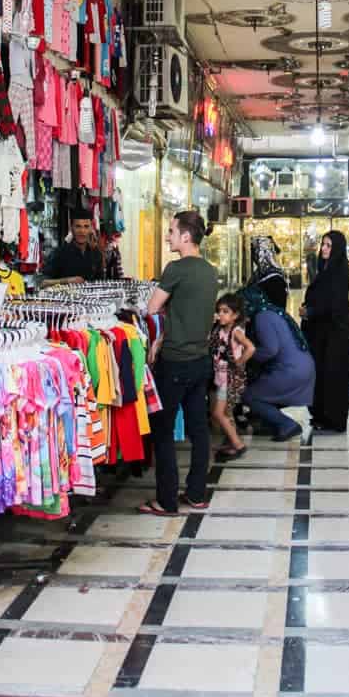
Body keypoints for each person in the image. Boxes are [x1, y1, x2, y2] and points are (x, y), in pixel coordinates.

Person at [139, 210, 218, 515]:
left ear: (186, 236)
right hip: (201, 361)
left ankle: (166, 499)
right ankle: (197, 493)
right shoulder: (210, 271)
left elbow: (152, 307)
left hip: (174, 363)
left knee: (163, 431)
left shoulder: (176, 268)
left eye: (171, 231)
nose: (168, 235)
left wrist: (161, 334)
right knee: (199, 430)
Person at [242, 285, 315, 442]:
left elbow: (270, 350)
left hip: (290, 372)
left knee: (248, 395)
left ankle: (286, 424)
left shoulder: (262, 317)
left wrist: (247, 354)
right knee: (263, 388)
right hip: (302, 367)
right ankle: (270, 422)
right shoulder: (271, 311)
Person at [301, 230, 349, 433]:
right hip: (321, 332)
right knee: (320, 373)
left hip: (338, 333)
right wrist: (307, 308)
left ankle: (334, 419)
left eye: (328, 245)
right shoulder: (324, 269)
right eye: (323, 244)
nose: (323, 248)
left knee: (335, 375)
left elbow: (335, 302)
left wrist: (312, 310)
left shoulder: (341, 270)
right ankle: (321, 415)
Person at [210, 293, 256, 462]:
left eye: (225, 311)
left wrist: (238, 362)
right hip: (221, 378)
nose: (221, 314)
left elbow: (250, 348)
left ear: (235, 315)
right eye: (219, 311)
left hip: (229, 380)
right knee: (226, 413)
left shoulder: (236, 331)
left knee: (218, 413)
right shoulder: (220, 329)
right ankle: (232, 441)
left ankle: (238, 444)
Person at [41, 208, 104, 285]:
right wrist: (66, 281)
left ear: (91, 228)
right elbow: (43, 283)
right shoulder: (59, 254)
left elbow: (101, 283)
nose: (82, 231)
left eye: (86, 226)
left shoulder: (96, 254)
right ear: (71, 228)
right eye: (78, 226)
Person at [249, 236, 288, 309]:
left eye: (255, 253)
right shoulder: (259, 273)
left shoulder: (275, 279)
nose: (253, 258)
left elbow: (278, 308)